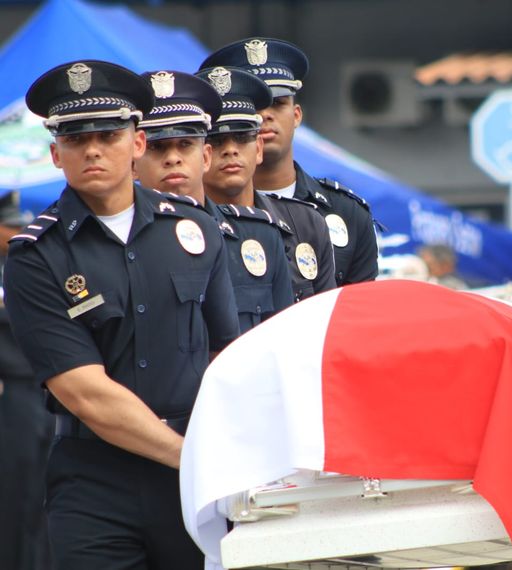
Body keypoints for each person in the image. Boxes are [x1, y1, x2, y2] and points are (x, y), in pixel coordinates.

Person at [3, 60, 240, 569]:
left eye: (108, 133)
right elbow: (86, 393)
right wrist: (192, 459)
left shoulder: (195, 232)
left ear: (136, 143)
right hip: (97, 483)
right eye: (75, 137)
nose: (92, 148)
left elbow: (229, 354)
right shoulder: (34, 256)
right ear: (54, 153)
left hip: (197, 478)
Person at [199, 37, 380, 287]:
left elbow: (354, 315)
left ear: (296, 115)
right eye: (253, 106)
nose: (264, 115)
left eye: (277, 103)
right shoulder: (198, 215)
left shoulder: (347, 212)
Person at [135, 69, 293, 332]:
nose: (173, 158)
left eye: (185, 144)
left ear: (206, 157)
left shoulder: (261, 235)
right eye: (157, 146)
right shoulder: (118, 243)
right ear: (133, 162)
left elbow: (283, 342)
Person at [0, 190, 52, 570]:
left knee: (41, 494)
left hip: (44, 393)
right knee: (14, 494)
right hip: (11, 399)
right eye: (10, 225)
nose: (15, 232)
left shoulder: (30, 264)